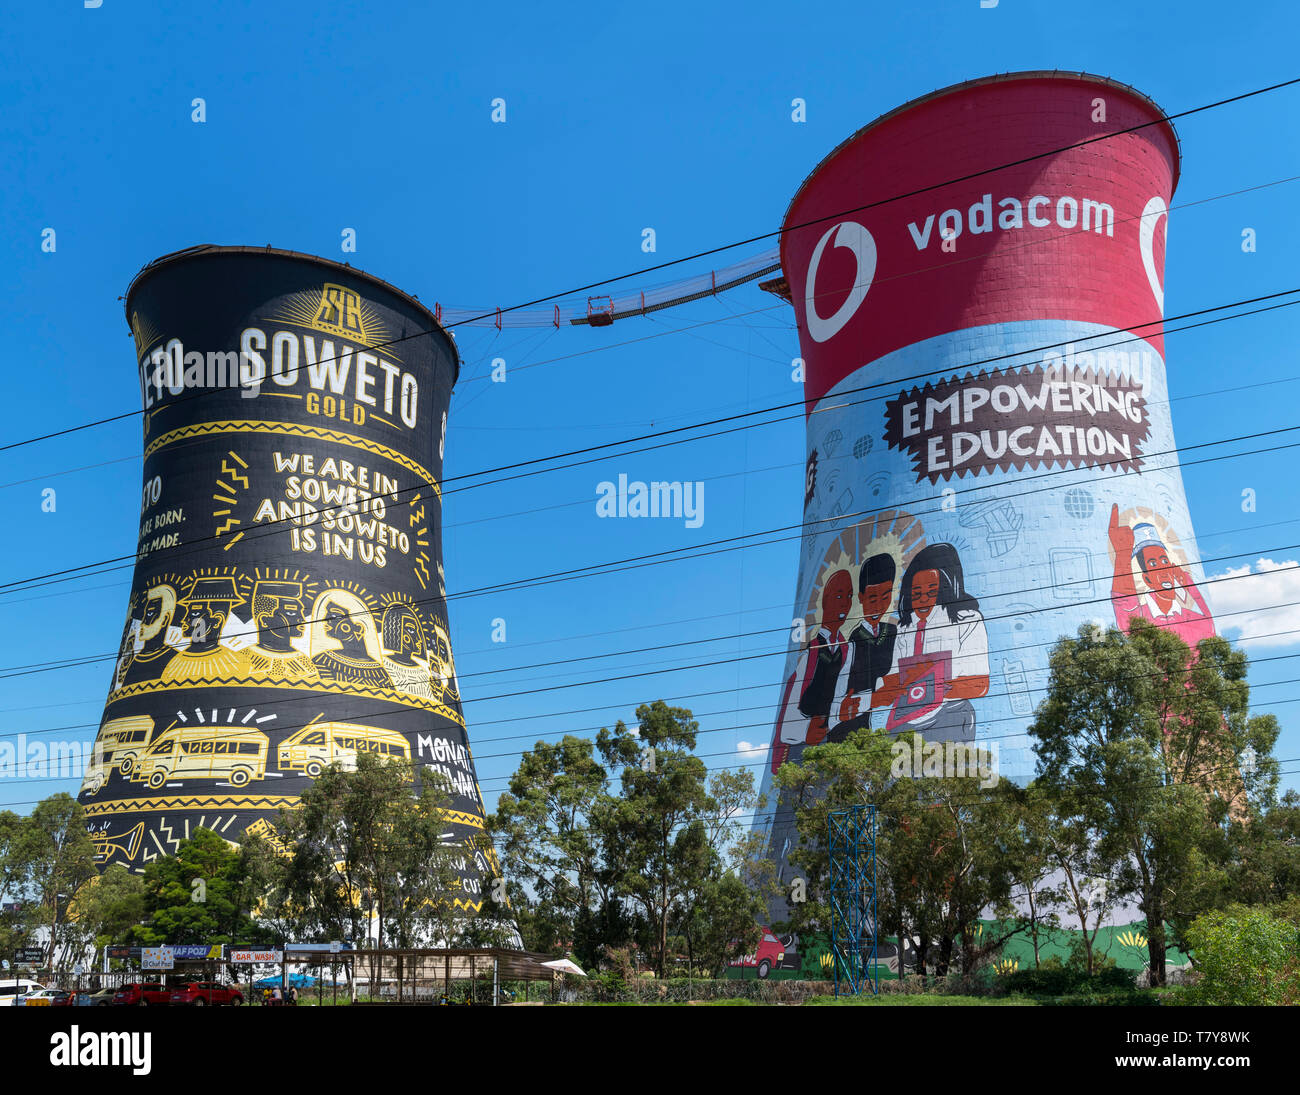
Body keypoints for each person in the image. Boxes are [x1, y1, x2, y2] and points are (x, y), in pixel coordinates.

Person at [872, 543, 988, 743]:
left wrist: (935, 684)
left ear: (947, 588)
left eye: (931, 592)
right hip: (904, 722)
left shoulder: (967, 620)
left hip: (949, 715)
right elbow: (892, 679)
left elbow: (979, 685)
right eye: (916, 593)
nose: (923, 600)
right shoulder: (904, 628)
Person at [1108, 504, 1216, 647]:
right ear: (1147, 579)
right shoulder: (1140, 618)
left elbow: (1210, 629)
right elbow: (1124, 609)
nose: (1164, 570)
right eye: (1153, 564)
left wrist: (1188, 584)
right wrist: (1122, 556)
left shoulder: (1190, 618)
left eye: (1165, 561)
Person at [833, 552, 898, 740]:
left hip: (887, 722)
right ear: (861, 598)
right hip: (855, 729)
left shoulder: (895, 632)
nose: (878, 607)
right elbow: (838, 700)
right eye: (872, 599)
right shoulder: (852, 643)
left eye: (885, 598)